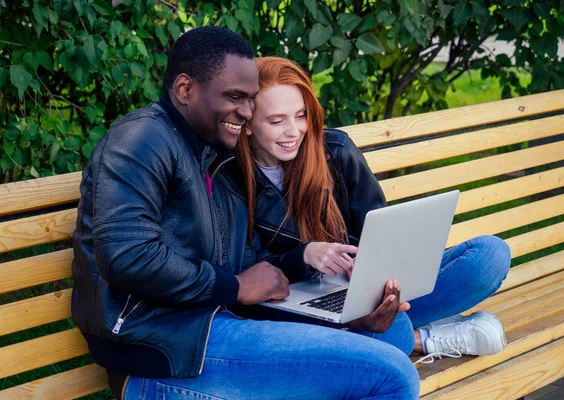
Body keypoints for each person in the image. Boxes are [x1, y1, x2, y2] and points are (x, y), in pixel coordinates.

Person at [72, 28, 419, 400]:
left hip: (215, 324)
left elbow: (247, 262)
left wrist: (341, 315)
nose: (247, 111)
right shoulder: (141, 140)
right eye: (235, 97)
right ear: (185, 90)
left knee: (385, 336)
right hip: (155, 342)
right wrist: (235, 287)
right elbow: (128, 256)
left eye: (251, 99)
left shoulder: (215, 156)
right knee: (393, 376)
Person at [235, 56, 511, 361]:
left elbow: (379, 230)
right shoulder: (232, 179)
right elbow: (248, 275)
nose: (294, 131)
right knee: (394, 335)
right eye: (276, 121)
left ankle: (404, 330)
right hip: (299, 307)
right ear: (247, 123)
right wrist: (304, 256)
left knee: (490, 256)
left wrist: (380, 277)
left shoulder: (336, 151)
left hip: (362, 290)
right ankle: (427, 338)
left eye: (300, 115)